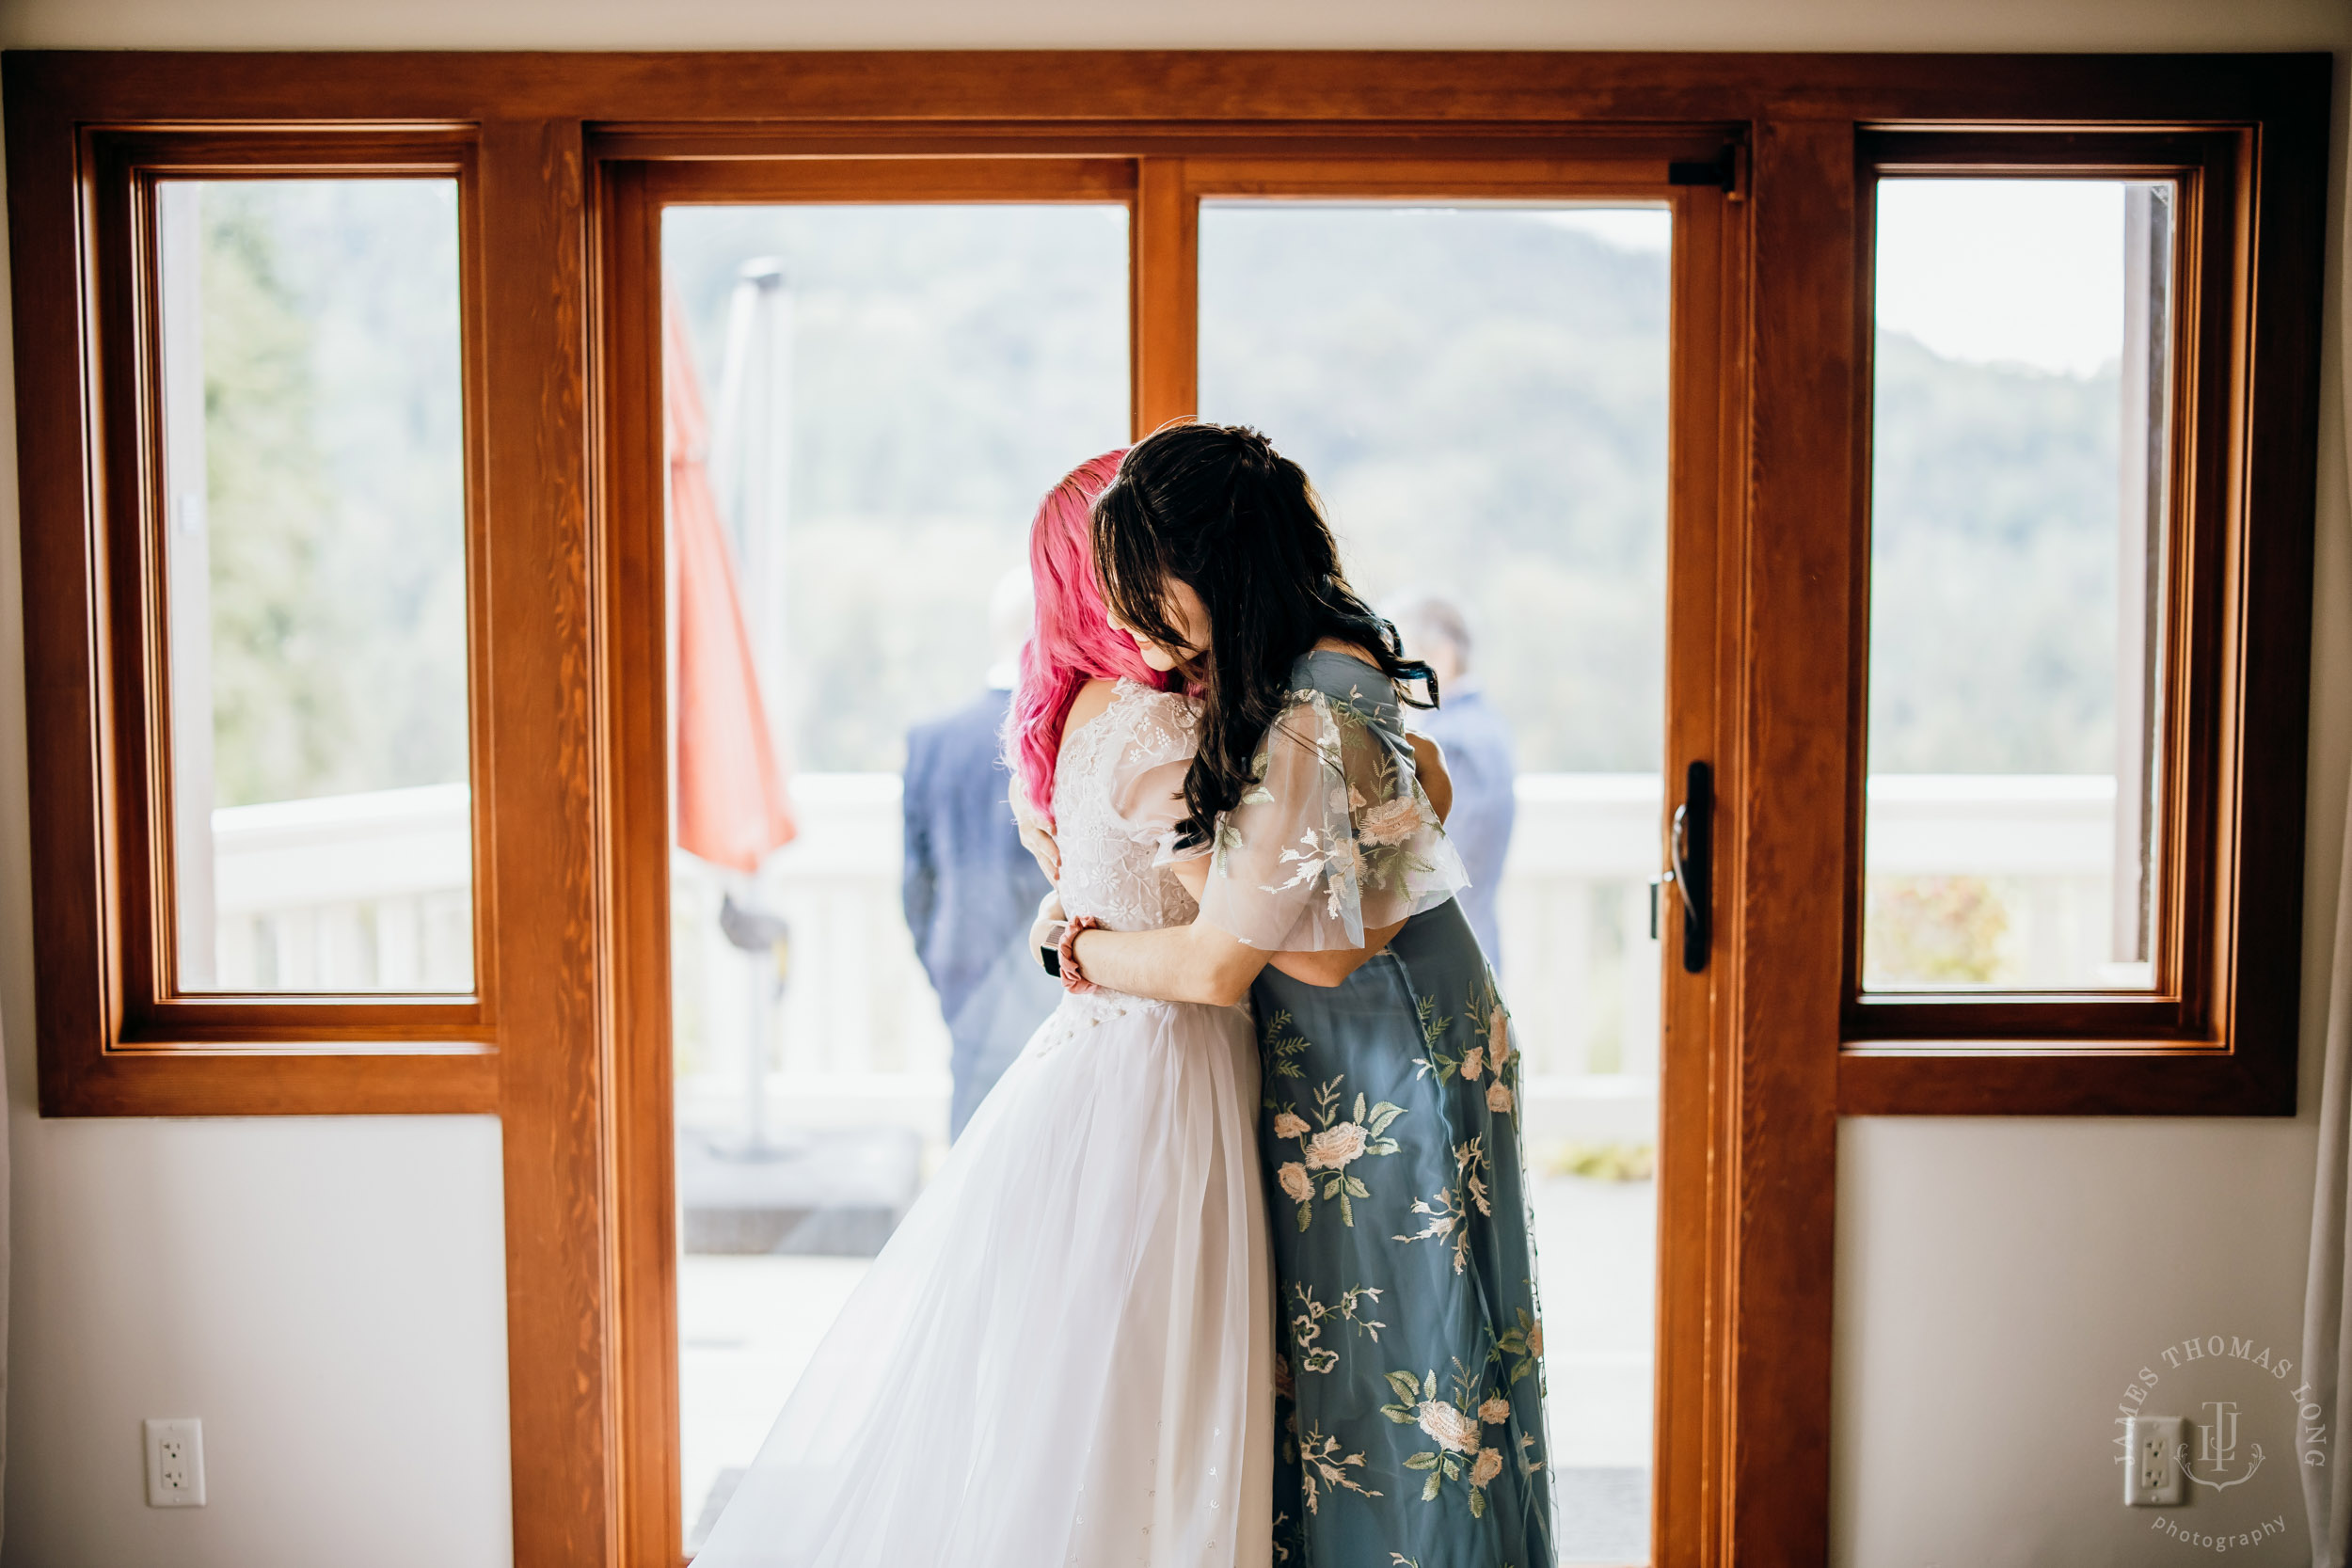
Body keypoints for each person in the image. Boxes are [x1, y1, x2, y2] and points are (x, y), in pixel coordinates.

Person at [689, 451, 1273, 1568]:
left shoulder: (1063, 724)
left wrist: (1081, 935)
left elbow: (1079, 889)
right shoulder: (1156, 730)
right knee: (1162, 1380)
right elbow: (1226, 938)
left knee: (1079, 1382)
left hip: (1090, 1067)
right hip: (1166, 1064)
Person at [1051, 423, 1555, 1568]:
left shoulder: (1314, 706)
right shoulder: (1315, 670)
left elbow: (1260, 958)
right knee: (1370, 1390)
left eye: (1150, 589)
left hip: (1382, 1071)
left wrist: (1077, 947)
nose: (1137, 621)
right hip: (1378, 1049)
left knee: (1396, 1395)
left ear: (1218, 562)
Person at [901, 566, 1061, 1137]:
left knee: (971, 1174)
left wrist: (945, 968)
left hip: (964, 984)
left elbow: (916, 887)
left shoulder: (932, 741)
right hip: (1057, 990)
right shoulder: (1073, 728)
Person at [1388, 594, 1518, 969]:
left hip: (1448, 955)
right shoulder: (1488, 725)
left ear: (1440, 656)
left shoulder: (1450, 745)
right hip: (1477, 940)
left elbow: (1428, 867)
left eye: (1397, 658)